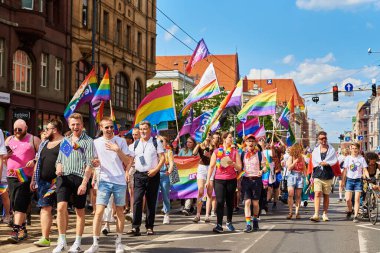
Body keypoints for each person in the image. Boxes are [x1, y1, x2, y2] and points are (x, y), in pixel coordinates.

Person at [85, 117, 133, 253]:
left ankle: (118, 242)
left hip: (119, 181)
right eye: (106, 127)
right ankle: (95, 243)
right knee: (99, 212)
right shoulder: (96, 143)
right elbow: (94, 161)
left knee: (119, 212)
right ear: (101, 128)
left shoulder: (121, 141)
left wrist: (118, 150)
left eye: (112, 127)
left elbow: (128, 161)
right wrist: (95, 164)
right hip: (104, 181)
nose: (110, 129)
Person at [53, 113, 94, 253]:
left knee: (79, 211)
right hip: (64, 178)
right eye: (73, 124)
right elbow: (60, 160)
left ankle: (77, 242)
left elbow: (89, 164)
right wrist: (58, 167)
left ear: (82, 125)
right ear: (69, 125)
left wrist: (84, 183)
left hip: (80, 178)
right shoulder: (66, 140)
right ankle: (62, 241)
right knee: (60, 208)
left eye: (78, 124)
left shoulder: (88, 141)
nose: (75, 127)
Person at [126, 121, 164, 236]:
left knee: (150, 202)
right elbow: (130, 160)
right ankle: (135, 227)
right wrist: (127, 171)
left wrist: (155, 170)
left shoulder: (156, 142)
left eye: (145, 129)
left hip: (152, 175)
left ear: (150, 130)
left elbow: (162, 158)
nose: (142, 131)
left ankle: (149, 226)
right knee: (137, 201)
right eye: (141, 129)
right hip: (138, 175)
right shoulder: (135, 144)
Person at [5, 119, 41, 243]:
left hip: (25, 176)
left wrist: (35, 161)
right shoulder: (9, 140)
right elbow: (2, 156)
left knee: (20, 201)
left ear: (26, 128)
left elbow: (42, 154)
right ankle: (23, 230)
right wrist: (6, 156)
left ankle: (15, 231)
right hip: (11, 175)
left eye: (20, 129)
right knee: (14, 202)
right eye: (15, 129)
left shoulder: (33, 139)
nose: (17, 132)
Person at [30, 119, 64, 247]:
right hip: (44, 183)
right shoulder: (44, 144)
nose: (45, 132)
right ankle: (45, 238)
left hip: (58, 182)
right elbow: (38, 161)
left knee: (61, 210)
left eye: (47, 129)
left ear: (54, 130)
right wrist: (33, 178)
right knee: (44, 208)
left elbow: (71, 160)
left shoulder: (65, 143)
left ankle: (62, 238)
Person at [206, 131, 242, 233]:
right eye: (230, 137)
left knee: (230, 202)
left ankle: (229, 222)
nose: (231, 139)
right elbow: (212, 167)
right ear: (224, 139)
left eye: (232, 137)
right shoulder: (217, 152)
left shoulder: (235, 152)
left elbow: (240, 168)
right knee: (220, 202)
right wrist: (208, 180)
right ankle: (219, 225)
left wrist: (233, 163)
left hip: (231, 179)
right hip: (219, 180)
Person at [309, 131, 338, 222]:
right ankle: (316, 214)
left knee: (326, 195)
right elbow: (313, 161)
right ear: (318, 140)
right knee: (317, 193)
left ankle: (325, 214)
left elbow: (334, 160)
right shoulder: (316, 150)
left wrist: (327, 163)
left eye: (325, 138)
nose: (324, 140)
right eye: (321, 138)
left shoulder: (331, 150)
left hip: (328, 175)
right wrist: (311, 175)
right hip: (317, 174)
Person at [241, 135, 266, 232]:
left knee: (255, 203)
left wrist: (262, 171)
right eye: (248, 141)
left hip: (256, 180)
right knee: (247, 202)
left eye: (252, 141)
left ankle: (255, 219)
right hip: (246, 180)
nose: (250, 143)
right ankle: (248, 224)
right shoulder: (242, 154)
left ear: (255, 143)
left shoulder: (259, 154)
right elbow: (240, 166)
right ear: (245, 143)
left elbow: (265, 166)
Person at [342, 143, 369, 223]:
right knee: (348, 199)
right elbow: (345, 171)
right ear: (350, 149)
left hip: (358, 181)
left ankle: (356, 216)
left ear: (358, 149)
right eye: (352, 148)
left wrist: (368, 177)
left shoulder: (361, 159)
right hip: (349, 180)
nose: (354, 150)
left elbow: (365, 169)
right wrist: (343, 181)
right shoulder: (348, 158)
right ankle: (350, 210)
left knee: (357, 199)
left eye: (356, 148)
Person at [193, 135, 214, 223]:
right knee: (201, 191)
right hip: (201, 167)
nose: (208, 136)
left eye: (209, 135)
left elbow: (215, 158)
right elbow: (194, 153)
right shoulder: (200, 145)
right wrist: (198, 145)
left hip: (210, 167)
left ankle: (207, 215)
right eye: (206, 135)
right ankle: (198, 214)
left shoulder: (213, 146)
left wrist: (209, 156)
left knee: (209, 192)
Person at [286, 143, 307, 219]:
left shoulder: (302, 158)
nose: (300, 151)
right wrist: (295, 162)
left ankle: (297, 212)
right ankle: (290, 212)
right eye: (299, 149)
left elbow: (304, 168)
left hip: (300, 176)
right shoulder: (290, 157)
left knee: (298, 195)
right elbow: (289, 168)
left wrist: (306, 178)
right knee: (290, 194)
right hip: (292, 175)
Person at [157, 136, 173, 224]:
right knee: (153, 195)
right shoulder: (154, 151)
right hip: (154, 175)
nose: (159, 142)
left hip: (164, 174)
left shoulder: (168, 152)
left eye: (161, 141)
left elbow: (171, 163)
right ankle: (151, 213)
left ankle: (166, 213)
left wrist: (169, 170)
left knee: (165, 194)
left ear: (166, 143)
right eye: (158, 141)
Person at [179, 137, 196, 215]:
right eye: (187, 142)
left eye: (190, 142)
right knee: (183, 189)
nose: (188, 143)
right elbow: (178, 160)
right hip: (183, 174)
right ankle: (185, 205)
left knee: (190, 190)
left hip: (193, 173)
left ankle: (187, 207)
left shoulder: (196, 151)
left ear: (194, 143)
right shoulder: (182, 151)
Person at [126, 127, 140, 221]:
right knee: (131, 191)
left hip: (141, 170)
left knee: (139, 193)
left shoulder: (144, 145)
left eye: (136, 134)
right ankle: (132, 211)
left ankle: (140, 212)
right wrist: (127, 170)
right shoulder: (130, 146)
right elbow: (128, 159)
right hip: (132, 169)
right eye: (133, 134)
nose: (134, 136)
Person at [0, 129, 11, 225]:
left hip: (3, 176)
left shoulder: (7, 148)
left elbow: (6, 162)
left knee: (4, 196)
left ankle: (7, 215)